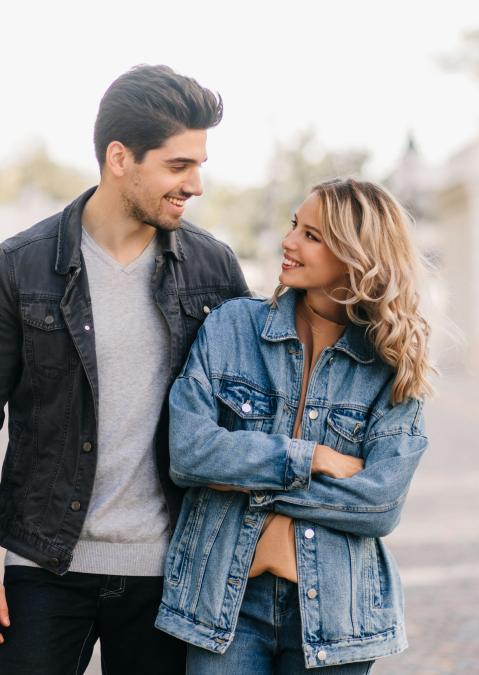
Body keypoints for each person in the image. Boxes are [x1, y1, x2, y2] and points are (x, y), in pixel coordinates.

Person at [0, 64, 250, 675]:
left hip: (172, 574)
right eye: (179, 166)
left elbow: (255, 407)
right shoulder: (20, 266)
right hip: (45, 567)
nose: (196, 185)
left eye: (199, 165)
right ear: (119, 157)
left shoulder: (213, 269)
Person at [154, 178, 433, 673]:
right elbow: (190, 452)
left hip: (338, 616)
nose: (288, 242)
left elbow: (380, 504)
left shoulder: (390, 364)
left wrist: (242, 479)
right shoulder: (232, 327)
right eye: (293, 225)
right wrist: (310, 459)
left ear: (355, 256)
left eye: (311, 235)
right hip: (225, 608)